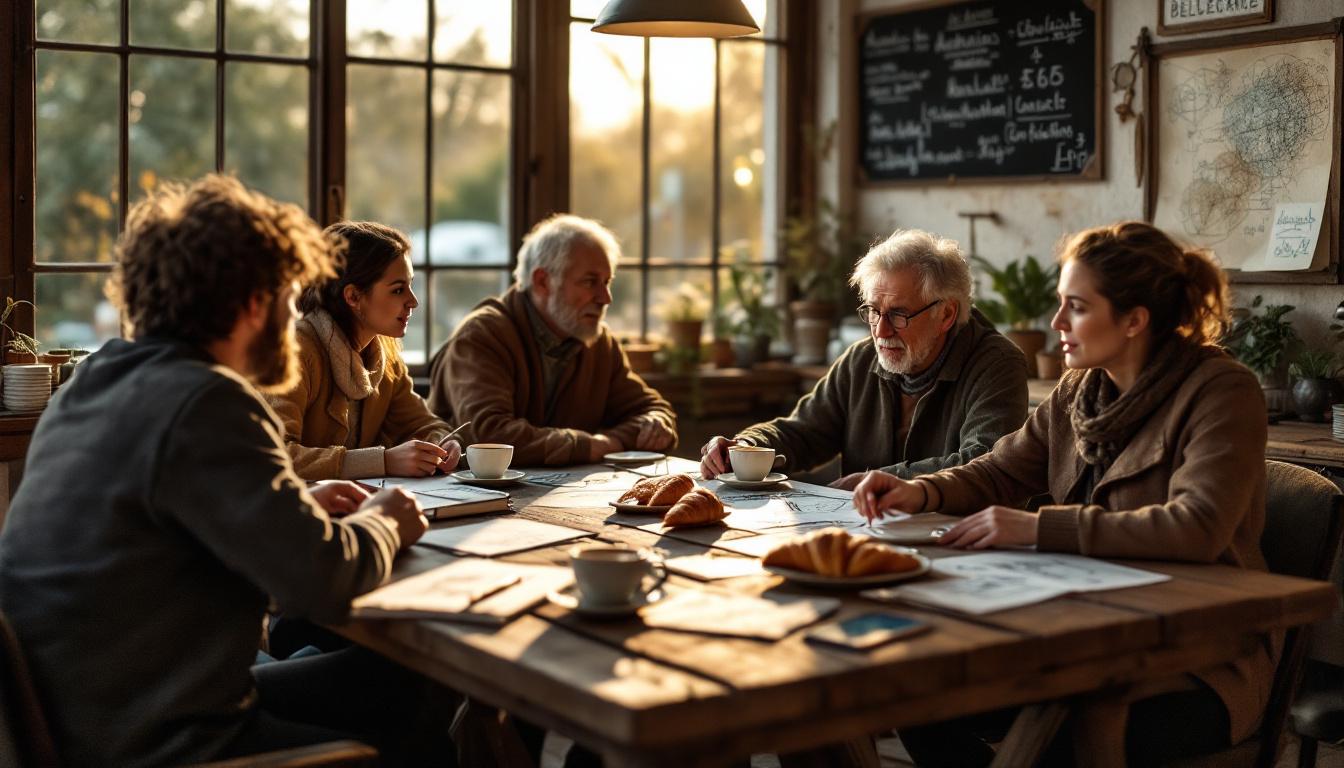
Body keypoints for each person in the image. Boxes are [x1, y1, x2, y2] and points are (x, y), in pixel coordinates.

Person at [0, 175, 445, 766]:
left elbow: (169, 521)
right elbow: (323, 580)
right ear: (251, 304)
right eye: (289, 295)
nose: (296, 314)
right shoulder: (208, 402)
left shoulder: (96, 379)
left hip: (93, 710)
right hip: (163, 739)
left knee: (395, 678)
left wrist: (301, 506)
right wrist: (386, 519)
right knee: (421, 703)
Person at [853, 221, 1272, 765]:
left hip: (1192, 662)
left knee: (1059, 734)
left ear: (1133, 321)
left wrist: (1036, 526)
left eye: (1076, 306)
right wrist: (921, 493)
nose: (1056, 324)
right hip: (1079, 627)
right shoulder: (1080, 389)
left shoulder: (1221, 391)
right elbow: (1000, 471)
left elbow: (1197, 526)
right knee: (914, 688)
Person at [700, 228, 1027, 489]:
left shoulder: (997, 365)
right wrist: (745, 446)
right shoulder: (861, 360)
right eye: (873, 311)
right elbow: (804, 432)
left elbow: (984, 462)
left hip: (963, 542)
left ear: (946, 314)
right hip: (869, 532)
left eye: (899, 314)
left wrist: (890, 482)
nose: (881, 331)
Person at [428, 213, 676, 467]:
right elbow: (489, 436)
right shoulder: (482, 335)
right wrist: (588, 446)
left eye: (607, 282)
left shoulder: (599, 341)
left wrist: (630, 433)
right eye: (590, 282)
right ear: (542, 281)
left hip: (556, 497)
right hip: (470, 498)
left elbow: (652, 412)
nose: (605, 298)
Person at [269, 220, 461, 481]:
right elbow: (274, 456)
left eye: (411, 285)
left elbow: (423, 424)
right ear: (354, 297)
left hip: (358, 503)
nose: (413, 301)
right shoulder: (295, 351)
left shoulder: (384, 351)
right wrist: (382, 461)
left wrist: (442, 444)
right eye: (398, 289)